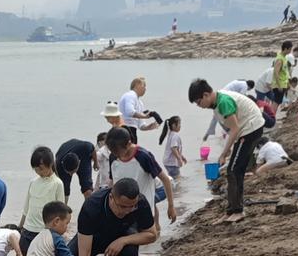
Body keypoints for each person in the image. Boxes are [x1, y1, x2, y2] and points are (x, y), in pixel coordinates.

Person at [187, 79, 266, 220]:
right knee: (234, 169)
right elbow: (232, 128)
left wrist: (224, 153)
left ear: (206, 95)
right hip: (245, 129)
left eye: (199, 102)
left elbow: (234, 129)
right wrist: (230, 148)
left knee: (234, 170)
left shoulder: (223, 102)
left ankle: (238, 211)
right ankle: (231, 211)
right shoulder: (216, 102)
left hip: (251, 128)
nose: (199, 106)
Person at [106, 128, 176, 225]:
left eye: (118, 152)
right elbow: (112, 182)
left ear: (128, 144)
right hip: (123, 210)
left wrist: (171, 206)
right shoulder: (113, 157)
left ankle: (157, 228)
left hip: (143, 209)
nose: (116, 155)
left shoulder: (143, 157)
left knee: (148, 235)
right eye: (112, 152)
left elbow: (165, 179)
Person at [18, 147, 67, 252]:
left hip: (44, 232)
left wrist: (60, 234)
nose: (38, 172)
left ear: (50, 165)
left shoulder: (57, 183)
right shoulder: (33, 182)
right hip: (27, 231)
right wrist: (20, 227)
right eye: (35, 169)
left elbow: (61, 212)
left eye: (41, 168)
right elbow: (26, 208)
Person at [55, 137, 97, 201]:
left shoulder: (85, 147)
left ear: (79, 163)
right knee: (64, 190)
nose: (71, 175)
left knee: (87, 189)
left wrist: (96, 163)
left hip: (83, 157)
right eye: (69, 173)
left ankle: (89, 207)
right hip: (64, 153)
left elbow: (93, 149)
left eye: (72, 172)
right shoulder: (59, 163)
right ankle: (64, 209)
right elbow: (55, 167)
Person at [160, 117, 186, 181]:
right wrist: (179, 159)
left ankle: (173, 188)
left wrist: (182, 157)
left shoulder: (171, 134)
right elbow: (173, 148)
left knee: (175, 178)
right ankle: (176, 190)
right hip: (172, 163)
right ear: (174, 125)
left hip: (168, 162)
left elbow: (176, 149)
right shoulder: (175, 136)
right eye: (179, 124)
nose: (180, 126)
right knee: (177, 179)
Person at [271, 40, 292, 105]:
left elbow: (285, 73)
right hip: (279, 85)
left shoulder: (284, 58)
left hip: (283, 84)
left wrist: (288, 83)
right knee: (276, 102)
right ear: (285, 48)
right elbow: (276, 72)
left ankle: (273, 114)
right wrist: (279, 85)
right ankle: (272, 115)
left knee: (278, 102)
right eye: (290, 49)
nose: (290, 51)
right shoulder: (280, 59)